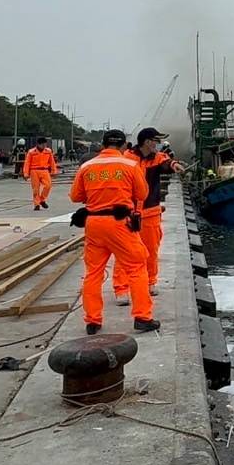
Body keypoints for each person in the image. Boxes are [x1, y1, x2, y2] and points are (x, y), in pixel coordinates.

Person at [69, 129, 158, 335]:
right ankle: (142, 317)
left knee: (93, 273)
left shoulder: (87, 166)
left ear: (102, 144)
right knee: (136, 267)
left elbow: (75, 196)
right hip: (119, 223)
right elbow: (142, 193)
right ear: (124, 146)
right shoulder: (129, 165)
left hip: (93, 223)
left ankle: (92, 321)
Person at [113, 128, 186, 304]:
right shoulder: (127, 159)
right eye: (155, 141)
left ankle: (150, 282)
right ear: (147, 141)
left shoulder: (158, 158)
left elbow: (167, 163)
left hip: (150, 212)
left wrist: (175, 166)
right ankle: (122, 289)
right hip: (128, 212)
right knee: (125, 252)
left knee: (151, 250)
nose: (157, 144)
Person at [23, 137, 59, 210]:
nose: (44, 146)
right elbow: (27, 163)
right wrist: (26, 174)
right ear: (38, 144)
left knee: (48, 185)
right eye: (42, 145)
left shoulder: (48, 151)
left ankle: (42, 200)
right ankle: (36, 204)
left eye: (45, 144)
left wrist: (54, 171)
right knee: (35, 189)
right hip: (34, 171)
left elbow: (52, 162)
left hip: (44, 170)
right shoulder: (31, 152)